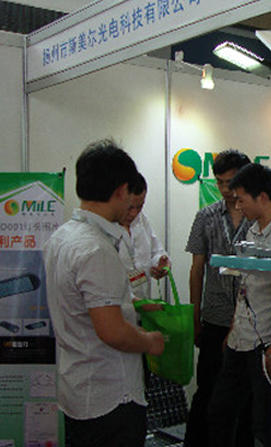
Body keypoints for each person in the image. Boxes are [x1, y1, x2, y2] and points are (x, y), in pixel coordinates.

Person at [44, 139, 165, 447]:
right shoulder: (96, 248)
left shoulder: (62, 237)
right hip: (110, 396)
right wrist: (149, 341)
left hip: (77, 388)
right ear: (122, 190)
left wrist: (134, 305)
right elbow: (112, 332)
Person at [208, 163, 271, 447]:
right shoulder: (251, 233)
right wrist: (232, 328)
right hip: (240, 338)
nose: (238, 205)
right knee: (219, 410)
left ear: (262, 197)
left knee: (263, 422)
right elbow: (246, 286)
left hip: (265, 343)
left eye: (241, 199)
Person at [184, 150, 252, 447]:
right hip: (214, 317)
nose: (225, 189)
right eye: (220, 182)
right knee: (207, 392)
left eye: (231, 182)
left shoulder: (257, 218)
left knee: (246, 399)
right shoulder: (206, 216)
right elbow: (196, 269)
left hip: (250, 323)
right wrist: (194, 316)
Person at [118, 172, 170, 301]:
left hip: (144, 302)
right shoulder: (105, 228)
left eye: (139, 206)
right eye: (129, 207)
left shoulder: (142, 220)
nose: (134, 213)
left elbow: (156, 251)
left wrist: (159, 263)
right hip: (118, 308)